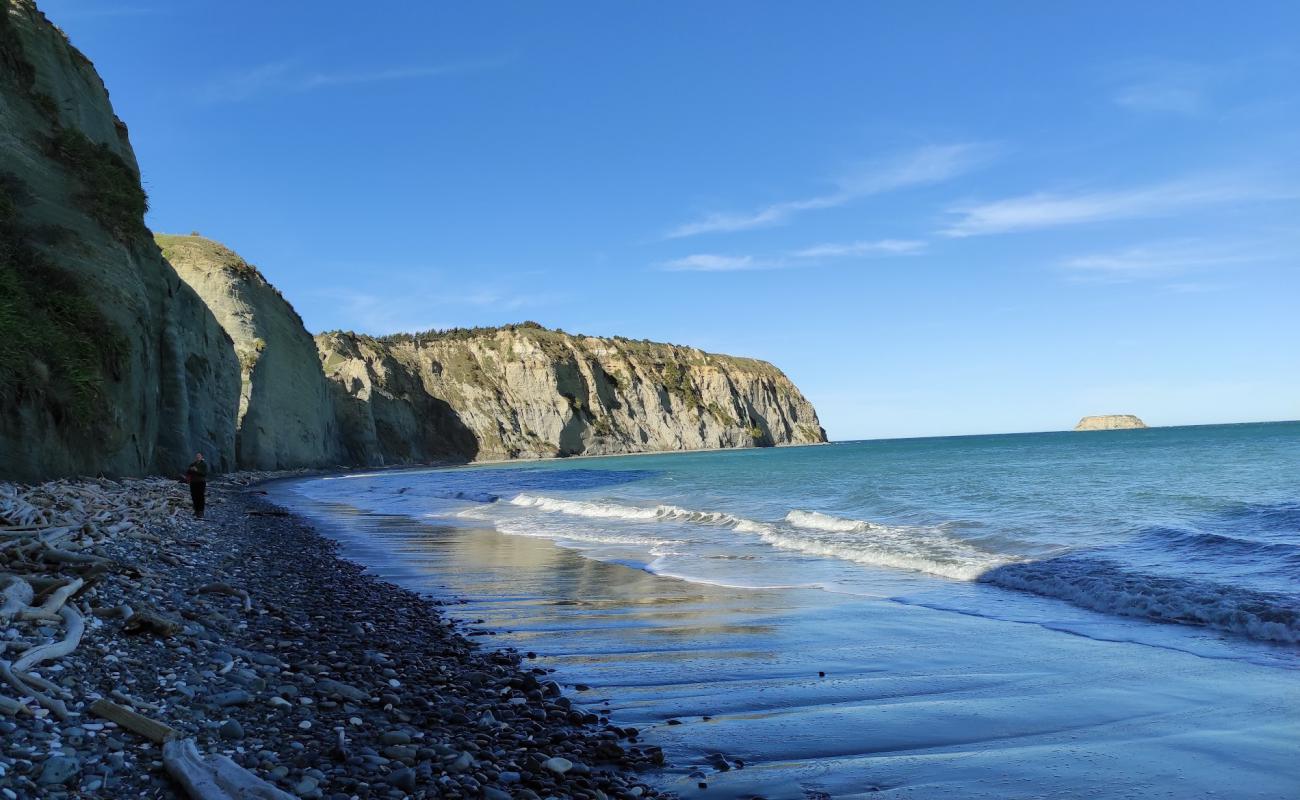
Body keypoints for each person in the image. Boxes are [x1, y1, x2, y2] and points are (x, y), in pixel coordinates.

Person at [186, 453, 209, 519]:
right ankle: (196, 511)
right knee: (194, 496)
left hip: (201, 482)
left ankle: (201, 512)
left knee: (200, 496)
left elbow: (204, 473)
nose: (198, 457)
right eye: (197, 456)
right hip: (193, 482)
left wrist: (196, 470)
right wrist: (191, 469)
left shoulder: (204, 464)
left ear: (202, 457)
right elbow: (187, 472)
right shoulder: (193, 464)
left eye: (199, 456)